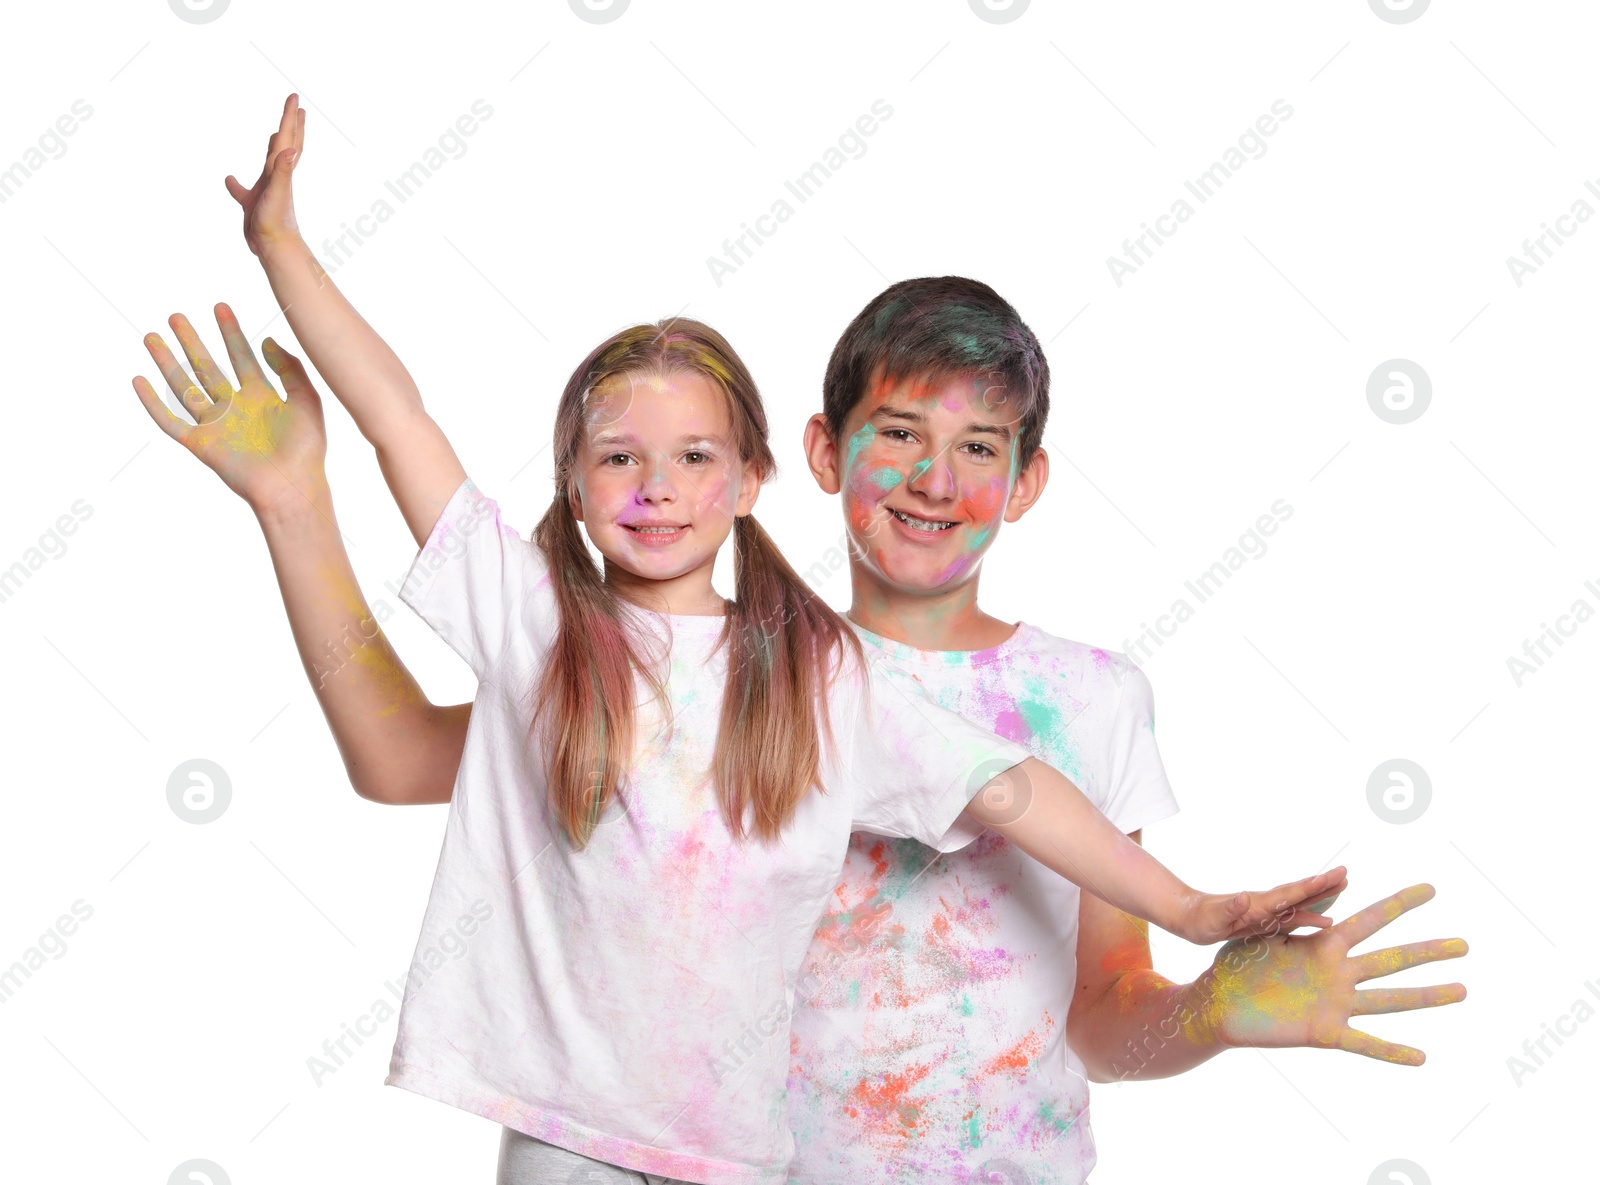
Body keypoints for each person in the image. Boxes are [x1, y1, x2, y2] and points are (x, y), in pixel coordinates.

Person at [127, 105, 1339, 1185]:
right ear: (818, 456)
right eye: (620, 459)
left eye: (695, 457)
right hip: (590, 1138)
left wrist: (1191, 918)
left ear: (752, 478)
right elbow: (401, 428)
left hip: (757, 1153)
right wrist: (283, 264)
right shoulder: (556, 638)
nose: (657, 487)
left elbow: (1017, 793)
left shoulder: (836, 685)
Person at [781, 275, 1470, 1183]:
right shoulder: (757, 681)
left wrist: (1210, 1011)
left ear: (1026, 481)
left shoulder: (1089, 697)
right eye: (901, 431)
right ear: (827, 450)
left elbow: (1103, 1021)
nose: (935, 480)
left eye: (979, 447)